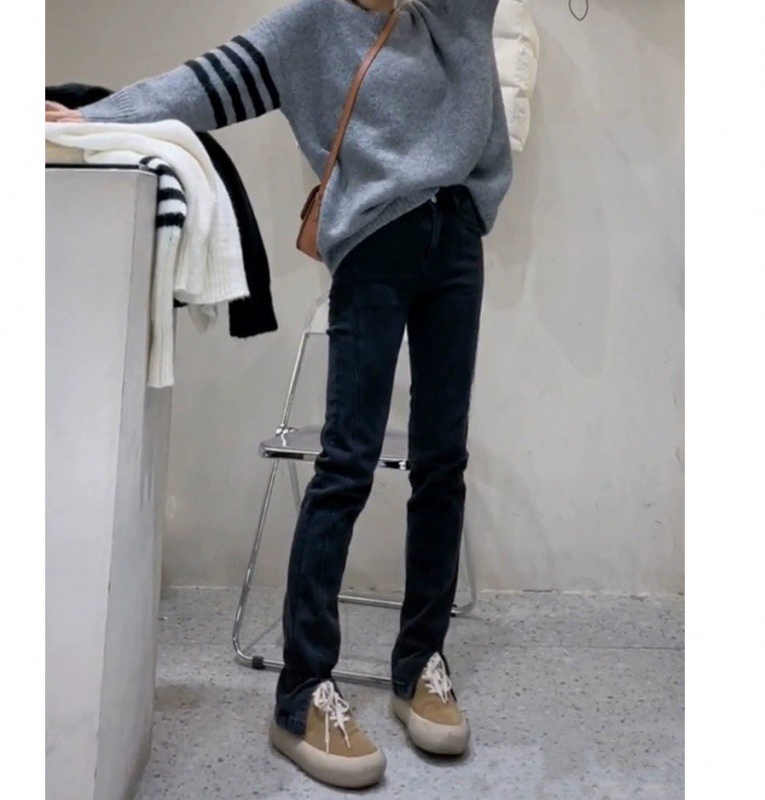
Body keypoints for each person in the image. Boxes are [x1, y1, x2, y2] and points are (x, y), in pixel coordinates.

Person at [46, 0, 513, 788]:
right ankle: (301, 695)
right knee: (347, 463)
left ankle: (420, 665)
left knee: (443, 461)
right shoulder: (314, 23)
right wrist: (95, 115)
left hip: (456, 237)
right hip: (375, 243)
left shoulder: (452, 11)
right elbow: (206, 84)